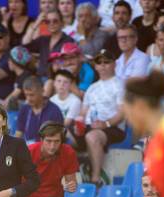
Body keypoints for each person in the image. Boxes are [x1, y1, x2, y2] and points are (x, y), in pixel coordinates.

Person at [73, 49, 125, 186]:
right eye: (99, 62)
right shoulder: (92, 87)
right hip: (91, 126)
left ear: (114, 64)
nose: (102, 65)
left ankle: (95, 179)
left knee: (92, 137)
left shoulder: (120, 85)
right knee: (64, 135)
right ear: (95, 66)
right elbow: (83, 112)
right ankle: (76, 174)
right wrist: (79, 123)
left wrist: (106, 124)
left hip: (113, 128)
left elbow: (122, 113)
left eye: (106, 62)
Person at [23, 8, 74, 78]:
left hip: (57, 80)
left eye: (55, 21)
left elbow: (68, 63)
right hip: (39, 78)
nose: (51, 24)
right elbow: (25, 44)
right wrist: (36, 23)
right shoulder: (43, 39)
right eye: (48, 22)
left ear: (62, 23)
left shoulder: (68, 41)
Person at [16, 76, 64, 143]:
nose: (29, 98)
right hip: (27, 145)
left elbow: (55, 138)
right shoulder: (24, 109)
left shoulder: (54, 111)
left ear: (42, 91)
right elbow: (19, 132)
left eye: (32, 95)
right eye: (26, 95)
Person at [4, 45, 35, 109]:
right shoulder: (19, 75)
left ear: (15, 62)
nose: (8, 62)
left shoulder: (26, 76)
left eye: (10, 60)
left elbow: (12, 97)